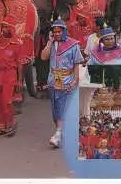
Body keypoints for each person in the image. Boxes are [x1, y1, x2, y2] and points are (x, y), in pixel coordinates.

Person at [41, 19, 83, 148]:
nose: (57, 34)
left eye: (59, 31)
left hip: (67, 81)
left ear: (64, 31)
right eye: (55, 32)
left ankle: (58, 134)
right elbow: (43, 57)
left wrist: (75, 80)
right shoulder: (52, 44)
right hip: (53, 81)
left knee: (63, 108)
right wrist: (49, 42)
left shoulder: (73, 45)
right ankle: (62, 132)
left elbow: (77, 64)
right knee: (55, 110)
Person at [0, 15, 25, 137]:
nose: (3, 29)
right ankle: (1, 126)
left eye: (6, 27)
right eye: (2, 26)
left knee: (7, 101)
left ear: (12, 28)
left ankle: (10, 124)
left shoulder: (18, 44)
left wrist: (19, 81)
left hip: (10, 74)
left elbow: (20, 64)